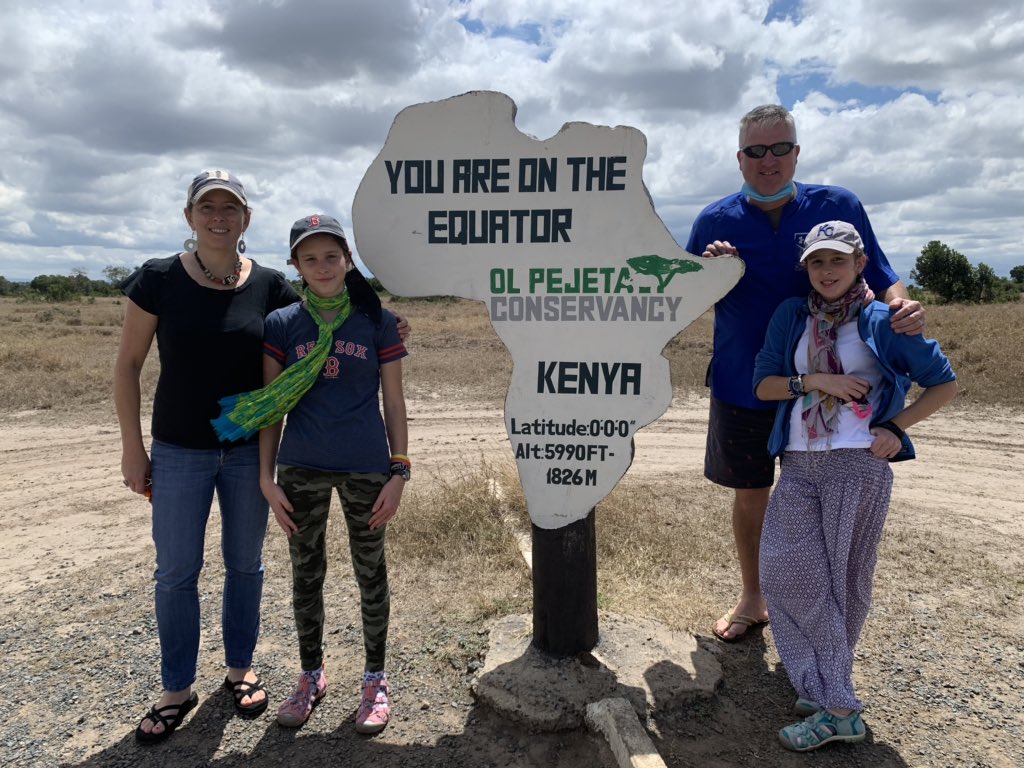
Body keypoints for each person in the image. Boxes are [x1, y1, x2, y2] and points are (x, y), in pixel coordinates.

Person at [114, 172, 408, 743]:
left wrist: (388, 321)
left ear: (246, 219)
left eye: (231, 208)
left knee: (247, 566)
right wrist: (134, 447)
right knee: (177, 571)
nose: (219, 216)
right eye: (208, 207)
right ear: (190, 215)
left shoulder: (272, 287)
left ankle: (244, 671)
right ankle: (178, 688)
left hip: (254, 454)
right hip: (181, 449)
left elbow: (334, 316)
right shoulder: (158, 279)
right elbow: (129, 364)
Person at [685, 104, 926, 642]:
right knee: (750, 492)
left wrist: (903, 306)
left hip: (833, 385)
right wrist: (710, 268)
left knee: (819, 493)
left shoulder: (838, 205)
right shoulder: (712, 220)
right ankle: (754, 596)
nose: (768, 160)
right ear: (739, 158)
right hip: (743, 380)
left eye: (779, 148)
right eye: (755, 151)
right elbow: (682, 294)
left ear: (797, 151)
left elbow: (882, 271)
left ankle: (823, 607)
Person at [752, 220, 956, 751]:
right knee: (785, 570)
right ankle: (825, 684)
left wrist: (894, 428)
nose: (826, 271)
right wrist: (818, 381)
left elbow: (943, 383)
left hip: (856, 465)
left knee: (842, 584)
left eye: (837, 260)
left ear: (860, 264)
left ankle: (838, 706)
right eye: (817, 262)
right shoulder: (791, 316)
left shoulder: (884, 320)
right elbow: (766, 383)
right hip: (798, 463)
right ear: (807, 269)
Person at [212, 214, 408, 733]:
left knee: (371, 574)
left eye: (331, 256)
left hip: (368, 466)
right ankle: (311, 676)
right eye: (310, 257)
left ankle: (374, 679)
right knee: (307, 576)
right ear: (295, 264)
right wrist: (266, 477)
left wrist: (399, 472)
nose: (322, 266)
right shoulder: (282, 325)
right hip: (301, 467)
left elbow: (394, 399)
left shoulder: (377, 321)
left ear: (348, 261)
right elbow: (272, 406)